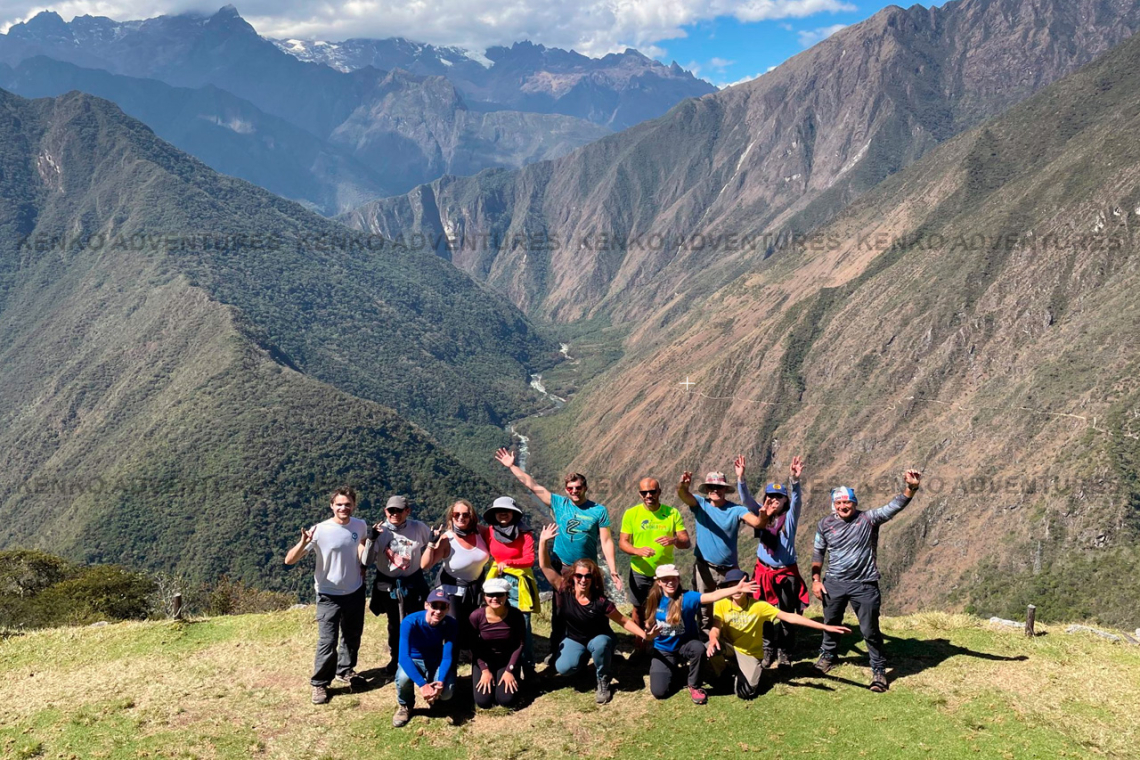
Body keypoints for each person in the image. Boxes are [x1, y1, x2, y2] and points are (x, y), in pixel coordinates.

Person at [496, 447, 623, 662]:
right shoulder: (559, 503)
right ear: (566, 490)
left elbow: (606, 540)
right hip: (562, 566)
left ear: (585, 488)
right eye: (570, 488)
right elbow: (532, 485)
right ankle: (558, 649)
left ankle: (607, 643)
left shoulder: (598, 510)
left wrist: (612, 569)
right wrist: (512, 466)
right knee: (561, 609)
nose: (574, 491)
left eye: (578, 487)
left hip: (588, 568)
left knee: (597, 604)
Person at [811, 469, 923, 692]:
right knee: (830, 623)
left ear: (855, 503)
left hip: (865, 584)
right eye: (839, 503)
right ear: (833, 504)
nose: (843, 507)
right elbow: (818, 553)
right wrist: (815, 579)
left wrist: (911, 488)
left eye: (848, 503)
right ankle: (827, 657)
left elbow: (894, 506)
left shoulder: (868, 520)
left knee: (870, 630)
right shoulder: (825, 525)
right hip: (834, 583)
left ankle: (879, 670)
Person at [538, 523, 652, 704]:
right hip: (575, 638)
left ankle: (603, 677)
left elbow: (623, 621)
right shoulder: (563, 589)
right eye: (579, 576)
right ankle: (582, 661)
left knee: (601, 643)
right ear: (573, 576)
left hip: (599, 638)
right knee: (564, 667)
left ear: (594, 578)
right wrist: (543, 541)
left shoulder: (600, 602)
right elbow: (544, 565)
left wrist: (644, 635)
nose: (583, 580)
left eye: (588, 576)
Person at [707, 569, 851, 698]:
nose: (736, 589)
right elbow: (716, 626)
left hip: (749, 653)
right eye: (731, 585)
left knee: (746, 693)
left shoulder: (759, 606)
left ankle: (744, 672)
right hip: (730, 647)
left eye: (740, 584)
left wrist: (825, 627)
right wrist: (713, 638)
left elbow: (790, 617)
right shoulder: (721, 604)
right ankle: (725, 673)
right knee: (709, 646)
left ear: (748, 586)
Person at [283, 486, 368, 705]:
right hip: (328, 594)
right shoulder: (320, 530)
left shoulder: (360, 525)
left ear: (353, 505)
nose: (343, 508)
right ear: (332, 506)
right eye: (339, 504)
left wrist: (364, 561)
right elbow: (290, 560)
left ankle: (346, 670)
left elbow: (360, 549)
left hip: (355, 591)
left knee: (352, 635)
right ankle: (320, 683)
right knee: (327, 641)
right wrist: (304, 541)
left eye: (347, 504)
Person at [643, 564, 759, 704]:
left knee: (699, 648)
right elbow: (648, 623)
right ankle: (671, 668)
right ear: (659, 582)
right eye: (665, 579)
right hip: (664, 650)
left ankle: (694, 685)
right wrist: (649, 633)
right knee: (660, 692)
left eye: (673, 578)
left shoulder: (688, 598)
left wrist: (736, 589)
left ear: (679, 579)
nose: (670, 582)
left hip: (685, 645)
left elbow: (712, 596)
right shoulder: (654, 599)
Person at [735, 454, 809, 668]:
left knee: (786, 613)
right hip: (764, 571)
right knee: (765, 612)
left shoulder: (790, 519)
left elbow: (797, 502)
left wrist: (794, 480)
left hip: (785, 572)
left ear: (785, 500)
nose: (775, 500)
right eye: (771, 496)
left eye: (779, 496)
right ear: (766, 498)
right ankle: (767, 649)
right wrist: (741, 479)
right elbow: (747, 501)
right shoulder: (762, 516)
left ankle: (784, 651)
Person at [676, 470, 768, 628]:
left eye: (719, 487)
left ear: (725, 489)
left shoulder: (736, 510)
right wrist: (682, 486)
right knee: (705, 608)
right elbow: (684, 496)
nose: (715, 490)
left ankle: (727, 643)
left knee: (731, 608)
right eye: (711, 487)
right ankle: (705, 642)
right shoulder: (700, 504)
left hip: (729, 571)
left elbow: (757, 523)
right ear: (707, 489)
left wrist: (764, 516)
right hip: (704, 567)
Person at [365, 495, 433, 674]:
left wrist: (436, 541)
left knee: (418, 620)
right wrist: (371, 540)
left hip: (414, 582)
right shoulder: (381, 531)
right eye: (391, 510)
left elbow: (433, 544)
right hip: (389, 586)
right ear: (385, 512)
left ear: (407, 511)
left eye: (399, 510)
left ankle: (419, 657)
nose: (395, 514)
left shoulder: (418, 527)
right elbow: (367, 560)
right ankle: (396, 658)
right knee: (394, 623)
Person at [619, 478, 691, 646]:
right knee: (638, 609)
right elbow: (623, 542)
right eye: (644, 492)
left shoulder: (672, 513)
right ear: (640, 494)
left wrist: (673, 540)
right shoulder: (631, 514)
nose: (649, 495)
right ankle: (641, 644)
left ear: (659, 492)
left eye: (652, 491)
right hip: (640, 571)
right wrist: (637, 551)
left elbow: (685, 542)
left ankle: (668, 645)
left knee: (668, 608)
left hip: (666, 574)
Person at [420, 499, 490, 651]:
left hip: (474, 587)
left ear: (472, 516)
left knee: (471, 625)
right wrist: (431, 544)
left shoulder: (481, 532)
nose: (460, 518)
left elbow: (499, 537)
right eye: (456, 514)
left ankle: (468, 656)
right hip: (451, 588)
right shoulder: (447, 539)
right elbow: (425, 565)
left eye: (465, 514)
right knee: (453, 626)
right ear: (451, 517)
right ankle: (448, 664)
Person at [482, 496, 539, 676]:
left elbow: (529, 559)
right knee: (499, 623)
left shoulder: (525, 533)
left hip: (518, 582)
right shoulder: (489, 531)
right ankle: (504, 667)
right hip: (496, 580)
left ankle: (528, 669)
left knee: (523, 626)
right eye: (499, 511)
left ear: (514, 514)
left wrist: (507, 562)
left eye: (507, 511)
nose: (503, 514)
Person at [393, 588, 457, 727]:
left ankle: (437, 698)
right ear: (426, 605)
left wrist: (440, 681)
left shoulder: (450, 624)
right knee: (403, 678)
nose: (438, 611)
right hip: (414, 660)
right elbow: (403, 657)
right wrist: (422, 685)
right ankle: (405, 705)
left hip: (435, 660)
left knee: (447, 691)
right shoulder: (410, 622)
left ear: (448, 608)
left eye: (443, 607)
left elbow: (447, 657)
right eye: (434, 606)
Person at [469, 577, 527, 709]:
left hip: (506, 660)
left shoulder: (516, 615)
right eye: (490, 594)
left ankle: (507, 677)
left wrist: (510, 670)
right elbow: (473, 645)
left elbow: (520, 644)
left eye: (499, 594)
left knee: (506, 700)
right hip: (483, 658)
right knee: (483, 702)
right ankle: (489, 677)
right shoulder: (476, 616)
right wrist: (484, 669)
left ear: (506, 596)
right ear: (484, 597)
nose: (495, 598)